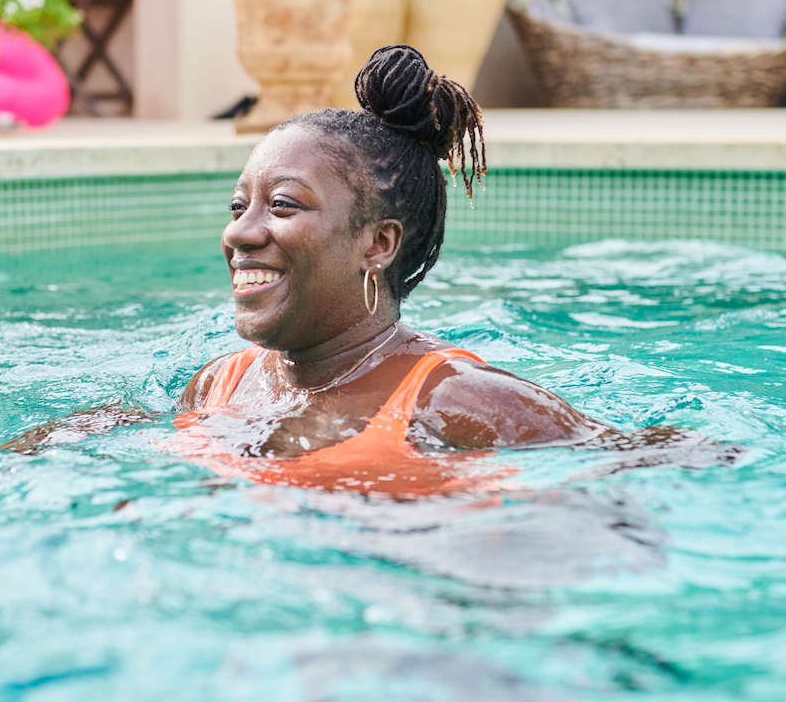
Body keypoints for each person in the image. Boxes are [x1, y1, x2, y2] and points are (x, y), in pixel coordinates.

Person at [164, 46, 610, 498]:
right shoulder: (216, 387)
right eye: (238, 207)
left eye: (282, 204)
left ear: (378, 244)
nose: (239, 232)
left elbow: (638, 462)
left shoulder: (456, 400)